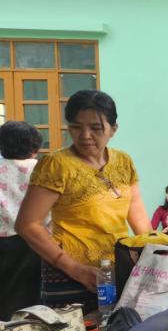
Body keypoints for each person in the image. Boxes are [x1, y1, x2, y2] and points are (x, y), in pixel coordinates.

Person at [15, 90, 150, 310]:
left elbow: (139, 218)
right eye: (76, 127)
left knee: (118, 328)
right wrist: (76, 270)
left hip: (116, 271)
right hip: (69, 276)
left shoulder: (123, 162)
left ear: (113, 129)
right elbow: (27, 225)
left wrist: (151, 259)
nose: (85, 135)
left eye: (96, 128)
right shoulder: (57, 165)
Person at [0, 121, 43, 317]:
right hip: (34, 240)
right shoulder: (41, 168)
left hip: (2, 239)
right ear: (35, 147)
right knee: (29, 295)